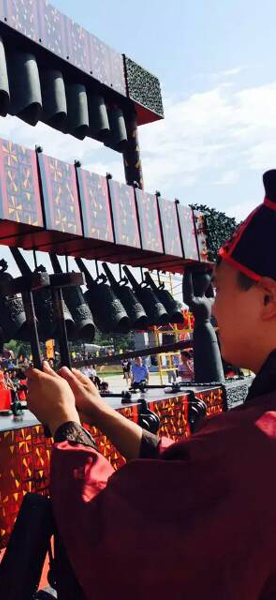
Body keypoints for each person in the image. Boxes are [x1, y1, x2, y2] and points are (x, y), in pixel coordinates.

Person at [22, 176, 276, 599]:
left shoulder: (258, 441)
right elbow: (190, 476)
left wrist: (64, 425)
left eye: (217, 289)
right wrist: (98, 413)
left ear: (267, 300)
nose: (210, 308)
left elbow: (118, 542)